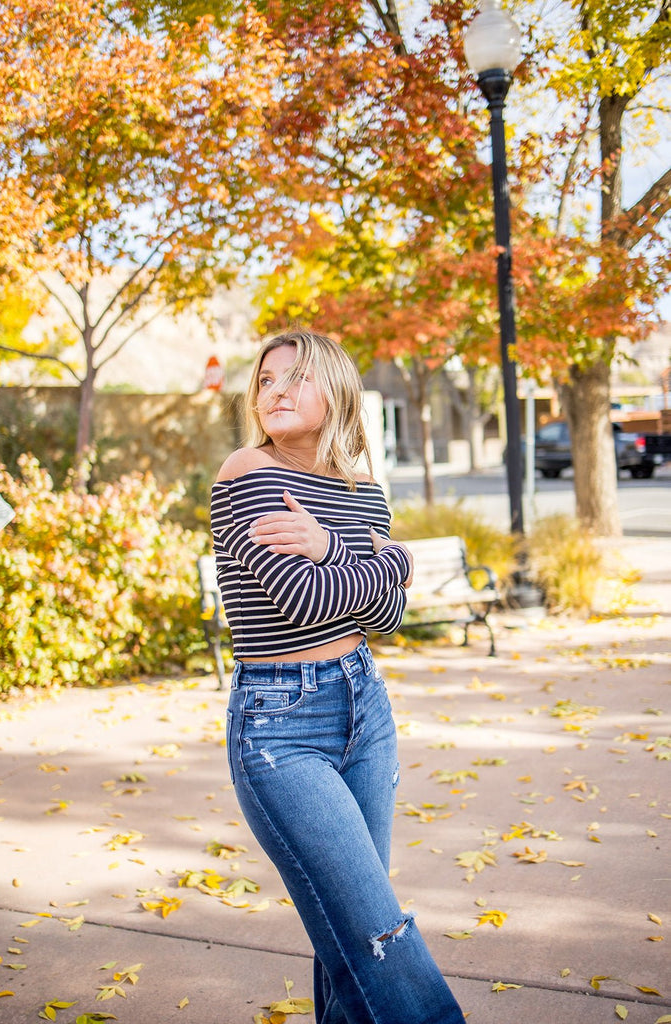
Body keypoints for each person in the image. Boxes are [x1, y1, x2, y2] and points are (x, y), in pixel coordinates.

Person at [210, 330, 465, 1024]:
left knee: (347, 935)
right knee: (376, 931)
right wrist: (386, 558)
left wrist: (332, 549)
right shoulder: (246, 473)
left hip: (364, 705)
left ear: (337, 390)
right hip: (280, 726)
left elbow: (386, 616)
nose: (276, 391)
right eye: (265, 380)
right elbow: (306, 601)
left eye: (296, 377)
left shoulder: (363, 490)